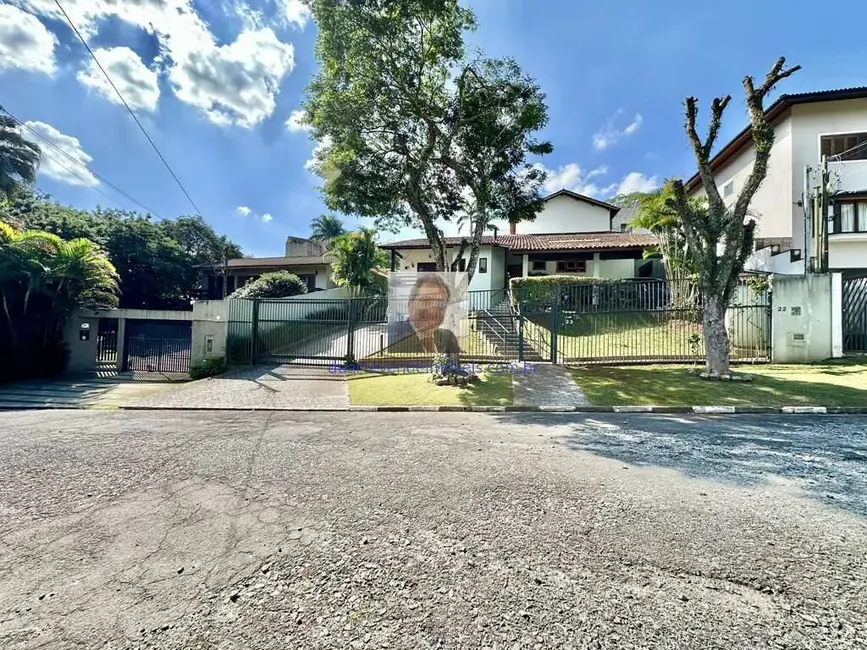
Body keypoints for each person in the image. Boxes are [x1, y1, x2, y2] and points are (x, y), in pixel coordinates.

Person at [387, 273, 460, 355]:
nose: (433, 311)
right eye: (425, 300)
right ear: (410, 305)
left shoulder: (448, 338)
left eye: (441, 304)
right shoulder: (391, 337)